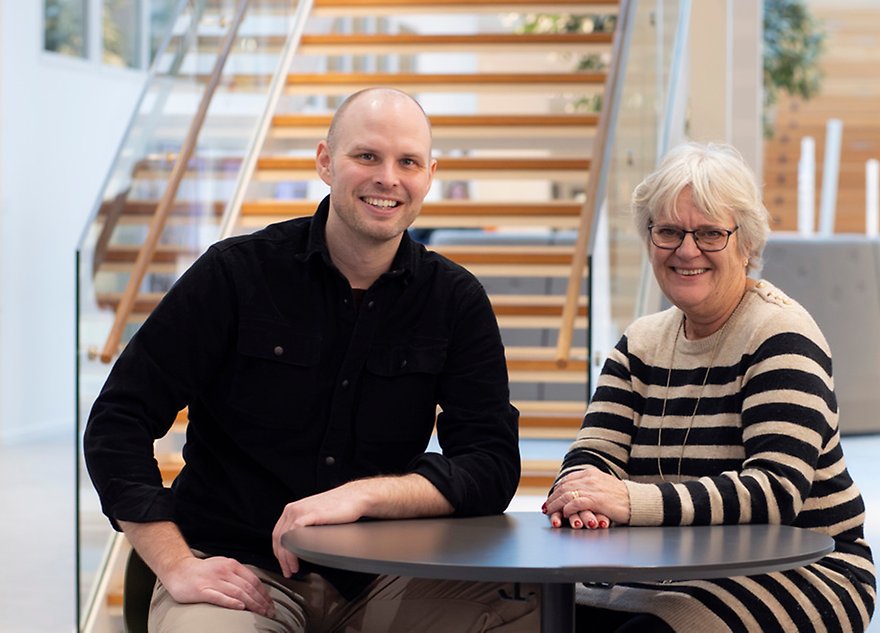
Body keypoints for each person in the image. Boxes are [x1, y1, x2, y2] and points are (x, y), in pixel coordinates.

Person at [84, 87, 539, 632]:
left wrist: (363, 495)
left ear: (429, 174)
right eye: (366, 156)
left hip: (389, 575)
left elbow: (491, 464)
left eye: (408, 162)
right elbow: (118, 423)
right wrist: (175, 563)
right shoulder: (235, 273)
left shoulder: (456, 300)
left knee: (531, 614)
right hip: (240, 570)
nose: (387, 178)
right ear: (326, 161)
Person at [542, 142, 876, 632]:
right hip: (662, 571)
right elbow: (592, 458)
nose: (687, 249)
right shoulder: (641, 341)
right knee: (530, 616)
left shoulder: (781, 336)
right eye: (669, 231)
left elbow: (774, 492)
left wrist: (629, 502)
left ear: (746, 243)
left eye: (710, 233)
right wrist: (583, 498)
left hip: (801, 572)